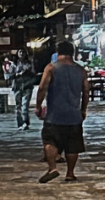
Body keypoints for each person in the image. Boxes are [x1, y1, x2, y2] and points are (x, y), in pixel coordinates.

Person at [35, 38, 88, 183]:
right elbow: (86, 91)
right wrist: (83, 110)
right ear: (73, 53)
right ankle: (70, 173)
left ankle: (52, 168)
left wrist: (38, 105)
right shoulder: (81, 70)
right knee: (73, 144)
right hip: (74, 114)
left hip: (54, 114)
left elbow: (42, 88)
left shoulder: (51, 68)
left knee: (50, 140)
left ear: (58, 53)